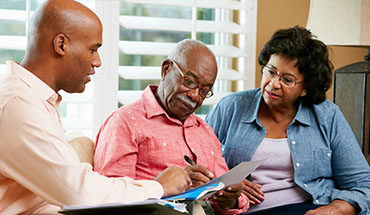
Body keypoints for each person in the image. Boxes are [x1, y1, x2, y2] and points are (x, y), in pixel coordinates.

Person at [0, 0, 191, 214]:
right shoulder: (17, 103)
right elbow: (78, 192)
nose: (98, 62)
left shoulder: (34, 98)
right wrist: (159, 187)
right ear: (61, 44)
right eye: (93, 50)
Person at [205, 25, 370, 215]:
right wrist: (224, 181)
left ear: (306, 86)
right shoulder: (232, 107)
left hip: (313, 208)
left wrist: (339, 208)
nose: (273, 84)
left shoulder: (327, 116)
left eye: (287, 80)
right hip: (247, 211)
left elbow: (362, 183)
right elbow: (195, 161)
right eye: (271, 71)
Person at [94, 39, 250, 214]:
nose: (194, 95)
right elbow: (110, 197)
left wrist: (230, 198)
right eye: (189, 81)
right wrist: (169, 186)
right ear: (166, 69)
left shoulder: (204, 130)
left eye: (204, 91)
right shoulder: (125, 122)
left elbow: (228, 194)